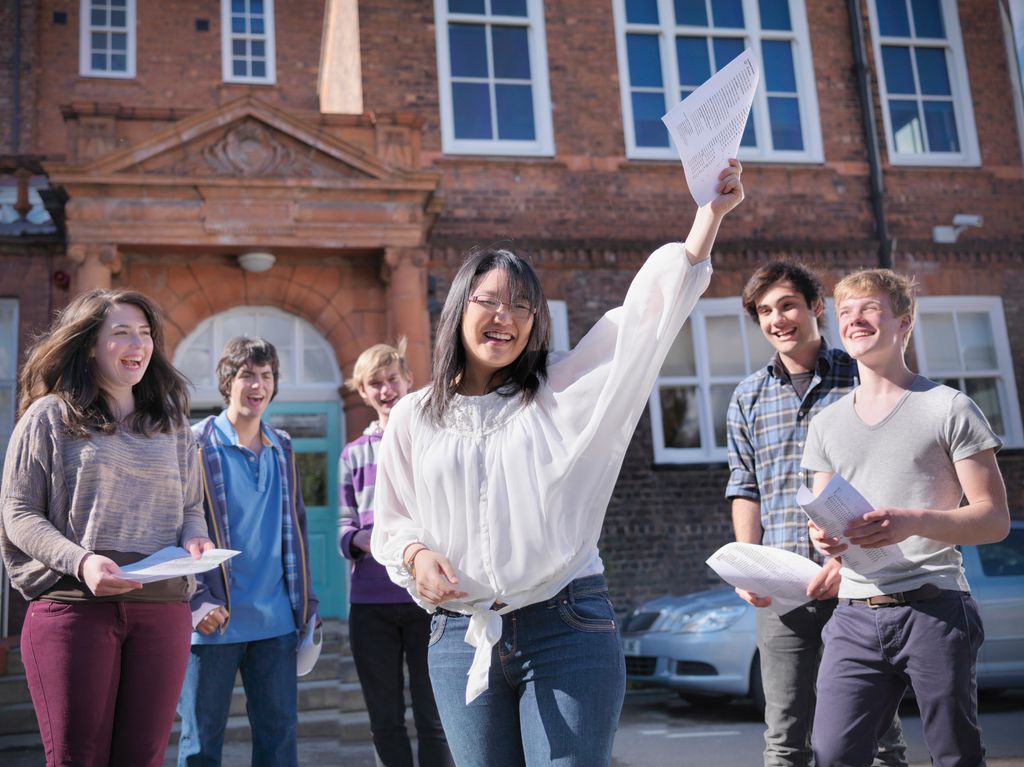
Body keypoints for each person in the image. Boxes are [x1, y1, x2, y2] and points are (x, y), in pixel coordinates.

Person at [371, 160, 744, 766]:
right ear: (458, 308)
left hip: (565, 623)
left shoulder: (560, 389)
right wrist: (415, 557)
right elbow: (392, 521)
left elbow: (644, 325)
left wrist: (708, 218)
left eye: (522, 306)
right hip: (459, 637)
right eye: (489, 301)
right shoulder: (415, 416)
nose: (505, 317)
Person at [802, 268, 1010, 767]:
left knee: (954, 756)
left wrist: (913, 520)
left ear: (904, 322)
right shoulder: (826, 423)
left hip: (935, 607)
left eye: (868, 309)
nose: (854, 320)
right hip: (853, 613)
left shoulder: (949, 407)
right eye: (845, 312)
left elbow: (993, 519)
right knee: (831, 753)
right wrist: (826, 540)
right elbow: (825, 518)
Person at [0, 289, 212, 767]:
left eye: (145, 333)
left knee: (144, 759)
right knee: (79, 758)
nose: (138, 343)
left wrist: (195, 538)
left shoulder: (173, 423)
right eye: (121, 333)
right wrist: (82, 560)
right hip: (74, 608)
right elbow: (17, 513)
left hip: (162, 611)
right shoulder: (48, 417)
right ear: (89, 345)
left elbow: (191, 507)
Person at [725, 262, 907, 767]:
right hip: (782, 589)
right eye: (765, 311)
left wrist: (844, 562)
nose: (777, 319)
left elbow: (885, 474)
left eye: (787, 305)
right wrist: (748, 565)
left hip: (861, 583)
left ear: (815, 308)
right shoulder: (747, 397)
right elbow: (745, 487)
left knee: (877, 735)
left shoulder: (861, 374)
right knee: (784, 739)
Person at [176, 336, 319, 767]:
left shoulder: (283, 446)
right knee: (200, 747)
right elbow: (174, 527)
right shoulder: (195, 443)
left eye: (266, 376)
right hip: (213, 624)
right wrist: (197, 599)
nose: (257, 385)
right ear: (228, 381)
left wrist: (307, 603)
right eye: (246, 375)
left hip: (275, 624)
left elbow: (297, 528)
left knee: (278, 746)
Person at [339, 339, 454, 767]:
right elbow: (342, 523)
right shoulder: (352, 455)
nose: (385, 389)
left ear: (408, 381)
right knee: (384, 721)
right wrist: (358, 539)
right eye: (375, 383)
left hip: (427, 600)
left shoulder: (431, 444)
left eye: (392, 380)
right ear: (363, 392)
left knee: (434, 718)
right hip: (370, 604)